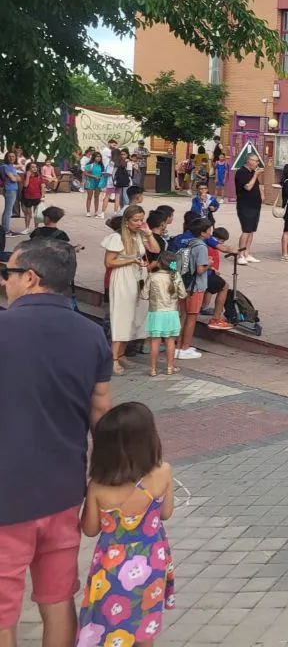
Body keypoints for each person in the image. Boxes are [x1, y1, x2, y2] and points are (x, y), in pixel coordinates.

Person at [0, 239, 112, 647]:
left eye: (7, 274)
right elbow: (102, 413)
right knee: (58, 598)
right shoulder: (92, 335)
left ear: (29, 278)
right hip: (65, 492)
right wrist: (103, 481)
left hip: (5, 497)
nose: (4, 282)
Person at [78, 402, 176, 647]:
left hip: (112, 568)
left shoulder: (98, 487)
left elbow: (90, 530)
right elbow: (166, 513)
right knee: (144, 628)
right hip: (153, 559)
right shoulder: (163, 471)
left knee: (111, 624)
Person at [102, 205, 153, 374]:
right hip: (123, 278)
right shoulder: (117, 238)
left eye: (141, 219)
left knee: (134, 316)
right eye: (136, 220)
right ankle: (113, 359)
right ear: (127, 221)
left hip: (138, 277)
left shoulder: (139, 235)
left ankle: (122, 354)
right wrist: (131, 261)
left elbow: (156, 250)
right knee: (122, 316)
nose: (139, 223)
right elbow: (109, 262)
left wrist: (149, 233)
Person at [175, 216, 212, 361]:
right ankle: (185, 347)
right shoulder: (201, 247)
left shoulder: (189, 243)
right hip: (196, 287)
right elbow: (200, 270)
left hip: (185, 284)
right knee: (192, 317)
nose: (210, 232)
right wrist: (208, 263)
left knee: (183, 315)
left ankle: (178, 345)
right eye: (209, 230)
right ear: (202, 233)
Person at [145, 251, 187, 376]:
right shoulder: (176, 276)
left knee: (155, 342)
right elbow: (183, 294)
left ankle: (152, 369)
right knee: (170, 342)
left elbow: (143, 295)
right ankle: (170, 367)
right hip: (172, 313)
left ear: (159, 262)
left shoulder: (153, 276)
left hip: (156, 313)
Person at [234, 152, 265, 263]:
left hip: (255, 204)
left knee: (251, 230)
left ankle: (247, 253)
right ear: (249, 161)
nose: (257, 163)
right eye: (256, 161)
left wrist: (262, 194)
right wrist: (256, 175)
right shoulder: (241, 172)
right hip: (245, 205)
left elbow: (257, 185)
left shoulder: (252, 172)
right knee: (246, 230)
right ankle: (240, 255)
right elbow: (248, 187)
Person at [1, 150, 22, 234]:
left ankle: (5, 229)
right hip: (9, 190)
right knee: (8, 211)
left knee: (8, 210)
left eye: (13, 156)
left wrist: (15, 178)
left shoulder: (11, 166)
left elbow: (18, 178)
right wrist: (15, 178)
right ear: (6, 157)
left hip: (13, 189)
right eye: (9, 156)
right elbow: (14, 179)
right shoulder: (5, 167)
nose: (11, 158)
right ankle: (5, 230)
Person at [19, 161, 42, 232]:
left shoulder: (39, 176)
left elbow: (42, 186)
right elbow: (25, 185)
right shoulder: (24, 175)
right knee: (28, 213)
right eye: (32, 167)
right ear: (28, 169)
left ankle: (36, 228)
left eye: (35, 167)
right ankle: (27, 228)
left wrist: (43, 196)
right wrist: (28, 176)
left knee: (36, 213)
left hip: (37, 196)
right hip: (27, 197)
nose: (35, 168)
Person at [84, 150, 106, 218]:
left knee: (96, 197)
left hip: (98, 183)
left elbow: (103, 174)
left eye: (99, 157)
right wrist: (94, 176)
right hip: (90, 182)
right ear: (93, 157)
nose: (98, 158)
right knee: (89, 197)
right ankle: (88, 211)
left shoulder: (101, 166)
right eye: (97, 156)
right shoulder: (89, 165)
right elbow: (85, 173)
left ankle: (96, 212)